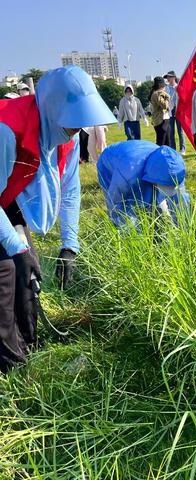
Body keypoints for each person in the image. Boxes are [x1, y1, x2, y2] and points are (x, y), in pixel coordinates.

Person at [0, 65, 116, 371]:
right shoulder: (7, 130)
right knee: (5, 273)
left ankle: (30, 343)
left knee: (28, 272)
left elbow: (70, 191)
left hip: (6, 199)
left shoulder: (66, 134)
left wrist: (69, 246)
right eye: (72, 120)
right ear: (51, 108)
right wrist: (15, 247)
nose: (77, 129)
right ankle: (11, 364)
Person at [97, 140, 190, 227]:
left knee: (157, 200)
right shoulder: (127, 175)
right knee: (128, 205)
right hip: (110, 160)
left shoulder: (175, 169)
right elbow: (115, 202)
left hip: (142, 159)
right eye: (165, 185)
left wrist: (182, 225)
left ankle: (155, 220)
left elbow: (180, 199)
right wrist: (128, 230)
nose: (170, 188)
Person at [164, 71, 186, 155]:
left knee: (180, 131)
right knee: (171, 131)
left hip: (179, 110)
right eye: (167, 78)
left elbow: (183, 98)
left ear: (173, 77)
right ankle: (173, 149)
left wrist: (179, 91)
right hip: (170, 110)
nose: (168, 79)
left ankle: (182, 149)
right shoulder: (166, 88)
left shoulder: (179, 86)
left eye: (169, 77)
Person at [149, 76, 171, 146]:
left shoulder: (160, 93)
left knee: (167, 142)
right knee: (161, 143)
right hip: (160, 121)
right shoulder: (156, 94)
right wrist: (167, 97)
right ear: (160, 85)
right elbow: (164, 105)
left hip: (165, 119)